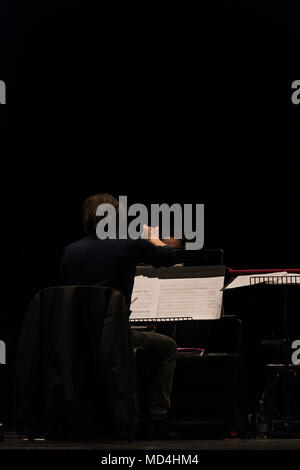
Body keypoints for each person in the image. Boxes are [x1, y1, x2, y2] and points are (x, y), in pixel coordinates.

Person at [60, 193, 179, 438]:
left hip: (77, 340)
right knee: (167, 347)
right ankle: (157, 419)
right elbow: (169, 257)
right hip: (116, 338)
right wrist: (153, 239)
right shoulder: (128, 243)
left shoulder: (70, 251)